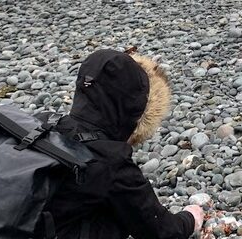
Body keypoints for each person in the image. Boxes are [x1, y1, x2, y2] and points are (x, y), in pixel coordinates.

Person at [44, 49, 204, 238]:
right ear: (133, 106)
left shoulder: (43, 124)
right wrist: (190, 219)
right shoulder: (111, 161)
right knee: (118, 215)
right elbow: (162, 231)